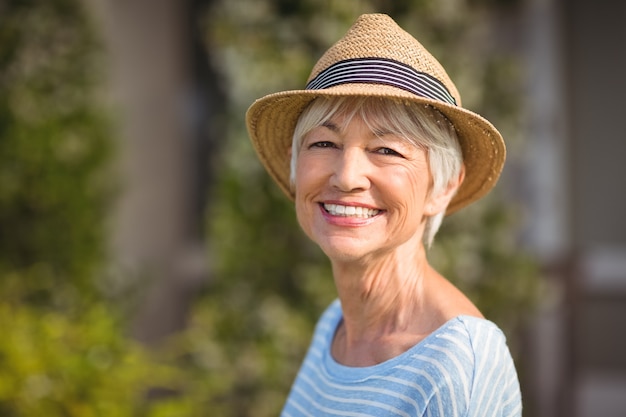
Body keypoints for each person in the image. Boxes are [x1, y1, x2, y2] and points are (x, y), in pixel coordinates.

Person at [246, 13, 521, 417]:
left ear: (443, 187)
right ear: (294, 165)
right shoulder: (335, 326)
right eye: (324, 142)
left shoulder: (460, 361)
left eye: (387, 149)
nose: (346, 177)